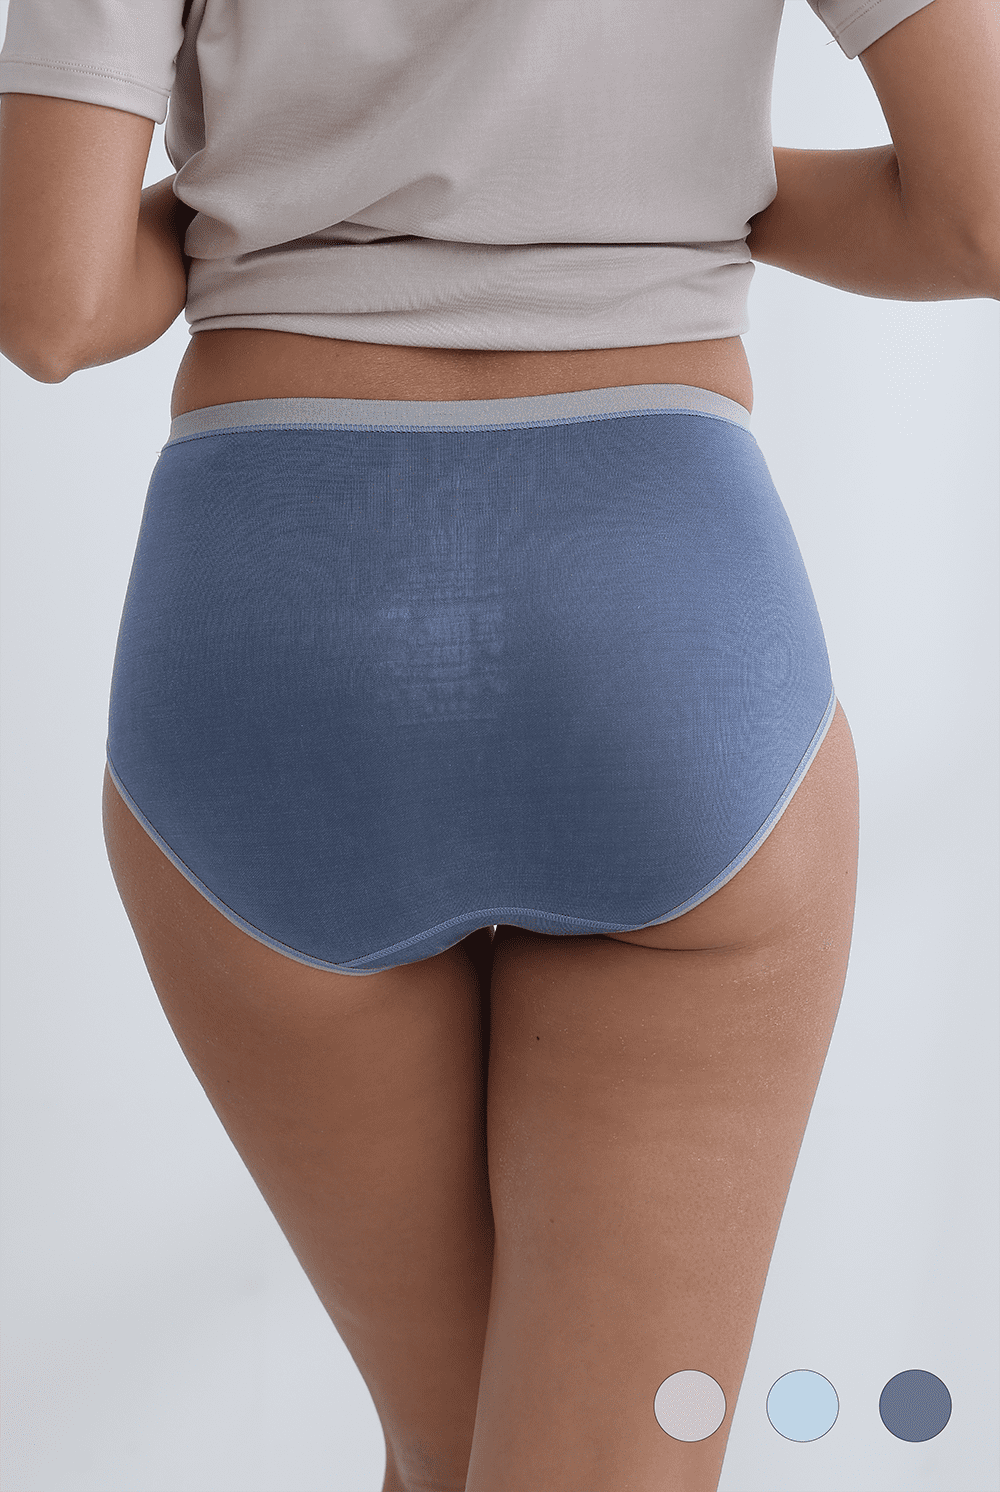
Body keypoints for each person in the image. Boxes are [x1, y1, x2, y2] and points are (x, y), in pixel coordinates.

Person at [0, 1, 997, 1488]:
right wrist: (698, 188)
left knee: (448, 1452)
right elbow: (980, 217)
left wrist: (286, 208)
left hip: (275, 630)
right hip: (658, 619)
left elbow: (56, 304)